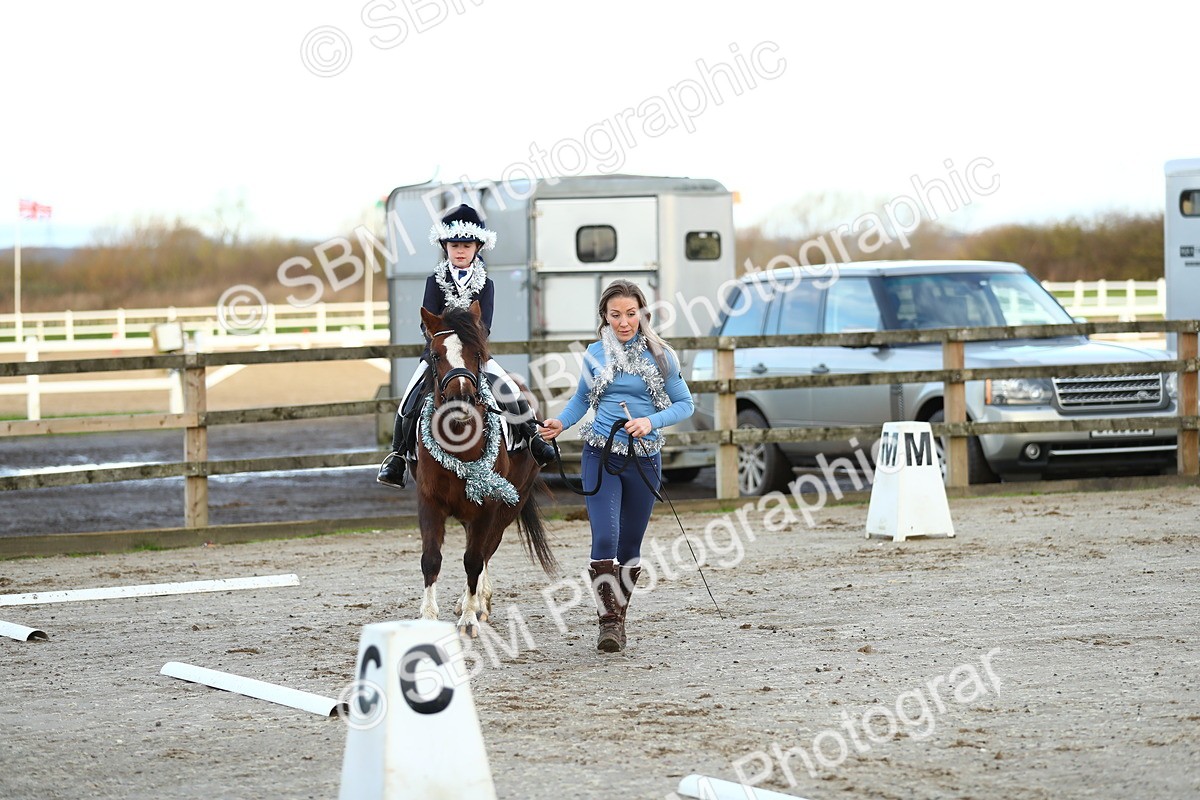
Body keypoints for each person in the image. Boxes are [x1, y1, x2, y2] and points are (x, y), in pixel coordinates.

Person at [538, 279, 694, 652]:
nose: (624, 322)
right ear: (604, 319)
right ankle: (608, 622)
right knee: (605, 537)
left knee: (630, 546)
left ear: (643, 314)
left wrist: (650, 422)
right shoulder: (595, 353)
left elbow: (685, 404)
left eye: (631, 314)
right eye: (615, 315)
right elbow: (580, 399)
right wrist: (562, 422)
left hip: (645, 460)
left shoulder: (661, 356)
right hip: (600, 454)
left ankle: (618, 618)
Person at [377, 204, 556, 488]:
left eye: (466, 245)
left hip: (474, 354)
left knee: (510, 390)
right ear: (445, 247)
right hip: (441, 356)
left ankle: (533, 438)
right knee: (408, 399)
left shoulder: (487, 284)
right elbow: (428, 321)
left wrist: (469, 343)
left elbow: (485, 325)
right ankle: (398, 456)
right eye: (454, 245)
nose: (460, 251)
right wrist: (441, 342)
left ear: (477, 247)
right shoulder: (434, 281)